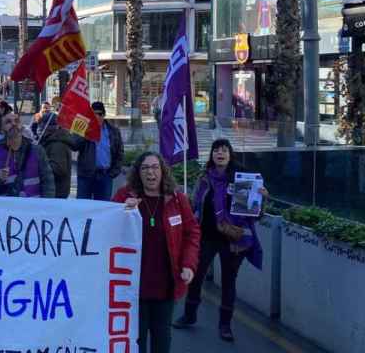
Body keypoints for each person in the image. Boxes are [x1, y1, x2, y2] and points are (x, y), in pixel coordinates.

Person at [174, 139, 268, 342]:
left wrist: (261, 199)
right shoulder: (204, 178)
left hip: (233, 240)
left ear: (230, 155)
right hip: (205, 236)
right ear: (212, 155)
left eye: (224, 150)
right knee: (195, 277)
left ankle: (225, 325)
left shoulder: (241, 180)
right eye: (217, 150)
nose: (220, 153)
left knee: (228, 282)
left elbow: (255, 215)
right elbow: (195, 206)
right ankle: (189, 316)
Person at [114, 152, 200, 353]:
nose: (150, 172)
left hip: (166, 285)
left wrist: (189, 265)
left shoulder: (178, 199)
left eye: (154, 167)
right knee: (136, 341)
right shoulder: (124, 196)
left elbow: (192, 233)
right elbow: (108, 228)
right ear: (138, 172)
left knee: (162, 339)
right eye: (145, 168)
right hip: (134, 288)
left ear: (162, 171)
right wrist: (123, 212)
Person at [0, 111, 55, 198]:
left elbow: (48, 181)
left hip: (34, 207)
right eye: (8, 122)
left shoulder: (37, 150)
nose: (13, 124)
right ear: (2, 129)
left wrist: (47, 205)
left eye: (16, 121)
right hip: (5, 209)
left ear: (22, 126)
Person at [72, 101, 123, 200]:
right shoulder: (83, 127)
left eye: (99, 114)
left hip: (105, 176)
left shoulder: (113, 131)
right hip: (86, 175)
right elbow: (74, 145)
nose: (96, 117)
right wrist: (86, 132)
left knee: (102, 209)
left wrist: (113, 173)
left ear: (104, 115)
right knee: (82, 207)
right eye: (93, 114)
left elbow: (119, 153)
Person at [39, 115, 77, 199]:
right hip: (53, 190)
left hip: (56, 191)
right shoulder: (50, 141)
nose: (40, 128)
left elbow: (59, 169)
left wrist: (39, 164)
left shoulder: (57, 144)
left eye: (41, 125)